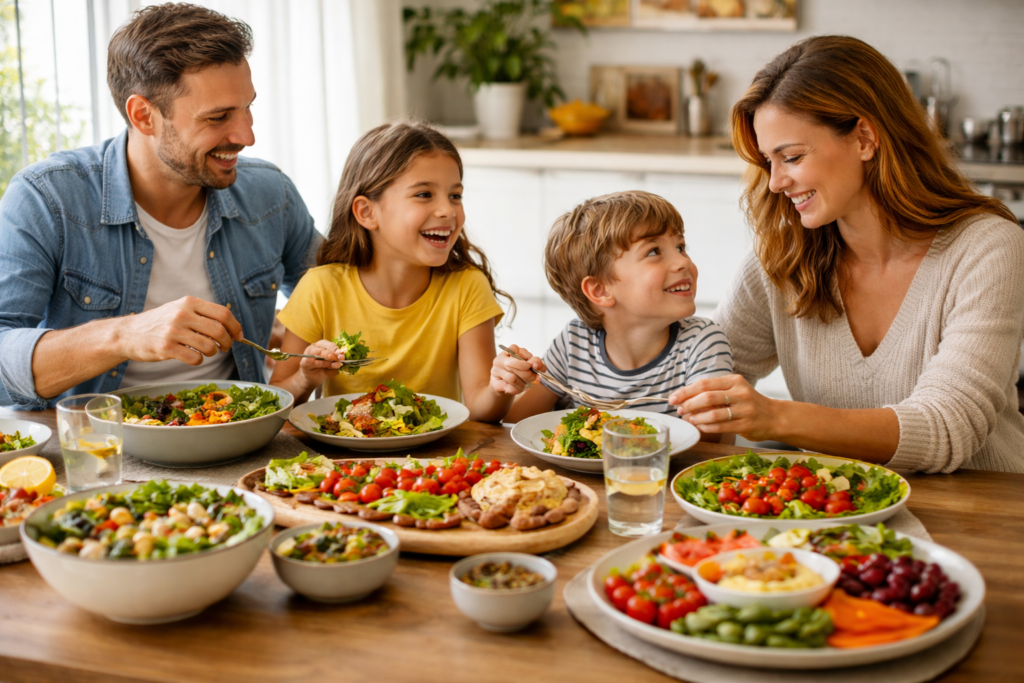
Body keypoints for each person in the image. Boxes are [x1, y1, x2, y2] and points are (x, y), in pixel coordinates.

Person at [669, 35, 1024, 474]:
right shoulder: (783, 255)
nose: (776, 182)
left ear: (864, 138)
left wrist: (776, 416)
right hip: (834, 519)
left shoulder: (986, 246)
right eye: (768, 162)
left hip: (985, 518)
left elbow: (948, 427)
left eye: (792, 157)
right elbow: (706, 369)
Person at [0, 3, 321, 409]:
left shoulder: (270, 194)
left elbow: (339, 289)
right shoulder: (47, 198)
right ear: (143, 115)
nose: (246, 135)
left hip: (239, 443)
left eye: (248, 107)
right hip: (101, 455)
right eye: (218, 116)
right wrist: (126, 335)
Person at [269, 121, 515, 422]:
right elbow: (280, 398)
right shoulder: (321, 288)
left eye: (455, 195)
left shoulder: (466, 286)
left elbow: (480, 407)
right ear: (367, 212)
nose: (448, 211)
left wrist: (502, 386)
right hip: (345, 462)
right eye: (424, 194)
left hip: (436, 460)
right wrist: (304, 380)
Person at [491, 190, 732, 441]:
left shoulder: (704, 342)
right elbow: (518, 427)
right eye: (653, 252)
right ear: (600, 290)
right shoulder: (575, 342)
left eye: (680, 247)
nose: (683, 261)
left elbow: (708, 447)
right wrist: (512, 383)